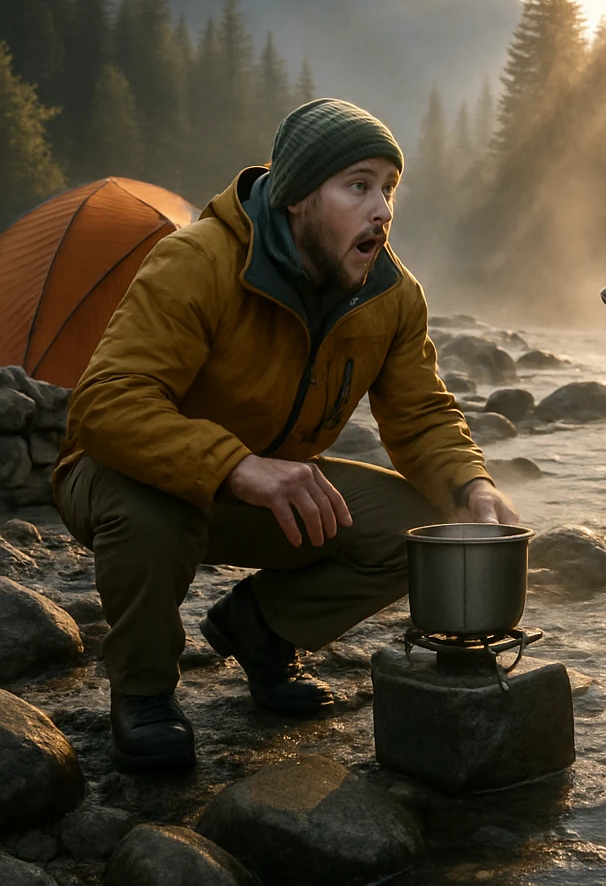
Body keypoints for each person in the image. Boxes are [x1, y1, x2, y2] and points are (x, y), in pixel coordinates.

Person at [52, 98, 517, 771]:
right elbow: (106, 406)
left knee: (422, 535)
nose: (382, 210)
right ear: (298, 196)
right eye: (358, 186)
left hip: (262, 489)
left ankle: (261, 630)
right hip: (125, 475)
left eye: (388, 189)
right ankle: (145, 691)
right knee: (151, 510)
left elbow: (421, 417)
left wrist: (473, 487)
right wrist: (237, 465)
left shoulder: (391, 297)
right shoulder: (199, 261)